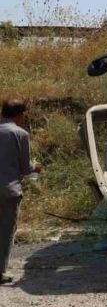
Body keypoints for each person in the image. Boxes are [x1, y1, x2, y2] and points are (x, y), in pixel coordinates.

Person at [1, 99, 41, 285]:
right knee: (6, 230)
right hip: (9, 191)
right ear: (19, 115)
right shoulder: (20, 134)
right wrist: (36, 167)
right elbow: (25, 168)